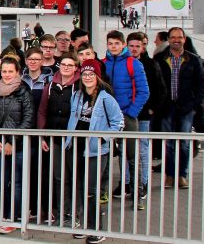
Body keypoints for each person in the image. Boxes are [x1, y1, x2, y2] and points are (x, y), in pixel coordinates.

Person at [66, 59, 123, 244]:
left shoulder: (106, 99)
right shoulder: (77, 95)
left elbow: (118, 123)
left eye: (91, 74)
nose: (88, 77)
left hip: (96, 150)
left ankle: (96, 228)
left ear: (98, 77)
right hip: (77, 147)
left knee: (92, 189)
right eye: (84, 74)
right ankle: (84, 225)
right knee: (81, 188)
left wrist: (102, 138)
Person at [153, 27, 204, 189]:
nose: (176, 40)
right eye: (173, 37)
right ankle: (170, 175)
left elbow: (202, 83)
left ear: (184, 39)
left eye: (179, 37)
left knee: (184, 143)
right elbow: (155, 83)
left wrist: (194, 104)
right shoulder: (160, 58)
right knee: (168, 143)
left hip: (186, 108)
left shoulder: (193, 59)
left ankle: (182, 175)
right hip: (166, 107)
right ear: (168, 39)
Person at [0, 57, 34, 234]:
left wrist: (13, 142)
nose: (7, 75)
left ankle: (12, 218)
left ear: (18, 72)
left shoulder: (24, 91)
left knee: (16, 183)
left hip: (18, 146)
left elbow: (28, 120)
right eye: (4, 71)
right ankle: (3, 216)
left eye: (10, 71)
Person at [103, 30, 149, 198]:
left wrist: (131, 112)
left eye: (116, 43)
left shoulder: (133, 63)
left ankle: (137, 190)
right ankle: (103, 191)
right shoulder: (103, 63)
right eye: (110, 43)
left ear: (123, 45)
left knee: (131, 155)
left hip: (127, 114)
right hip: (107, 117)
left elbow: (144, 91)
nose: (113, 46)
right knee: (105, 154)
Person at [38, 53, 81, 224]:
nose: (66, 67)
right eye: (64, 64)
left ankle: (75, 212)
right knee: (58, 176)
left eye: (70, 65)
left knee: (74, 176)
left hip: (73, 138)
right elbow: (42, 111)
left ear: (76, 68)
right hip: (54, 137)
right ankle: (63, 211)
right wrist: (42, 135)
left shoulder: (79, 86)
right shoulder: (50, 86)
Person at [124, 32, 165, 209]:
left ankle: (144, 182)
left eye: (137, 46)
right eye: (131, 46)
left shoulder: (150, 64)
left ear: (143, 47)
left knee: (143, 149)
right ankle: (127, 182)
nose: (134, 49)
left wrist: (151, 108)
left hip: (142, 115)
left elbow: (158, 89)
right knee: (127, 150)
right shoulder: (124, 63)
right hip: (127, 114)